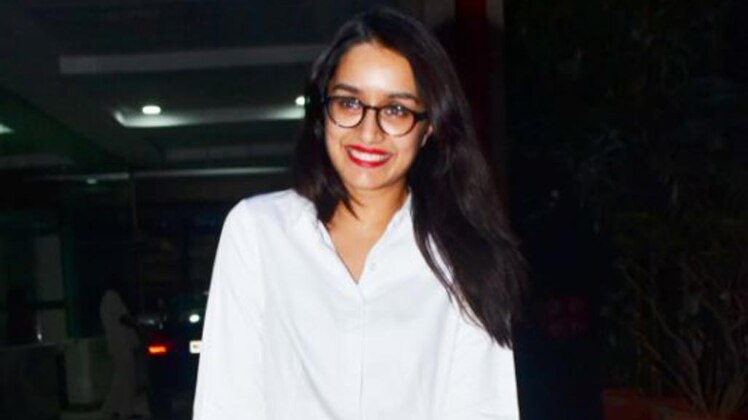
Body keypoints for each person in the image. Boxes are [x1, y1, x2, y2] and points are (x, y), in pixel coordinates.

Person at [193, 7, 524, 420]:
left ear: (430, 126)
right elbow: (225, 403)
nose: (369, 132)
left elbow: (482, 410)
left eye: (397, 110)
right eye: (350, 103)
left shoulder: (466, 259)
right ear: (322, 108)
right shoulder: (258, 234)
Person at [99, 288, 149, 419]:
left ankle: (122, 410)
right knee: (124, 378)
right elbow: (122, 317)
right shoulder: (111, 296)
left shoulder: (108, 298)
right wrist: (138, 326)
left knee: (126, 378)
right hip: (121, 345)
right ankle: (112, 410)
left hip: (120, 345)